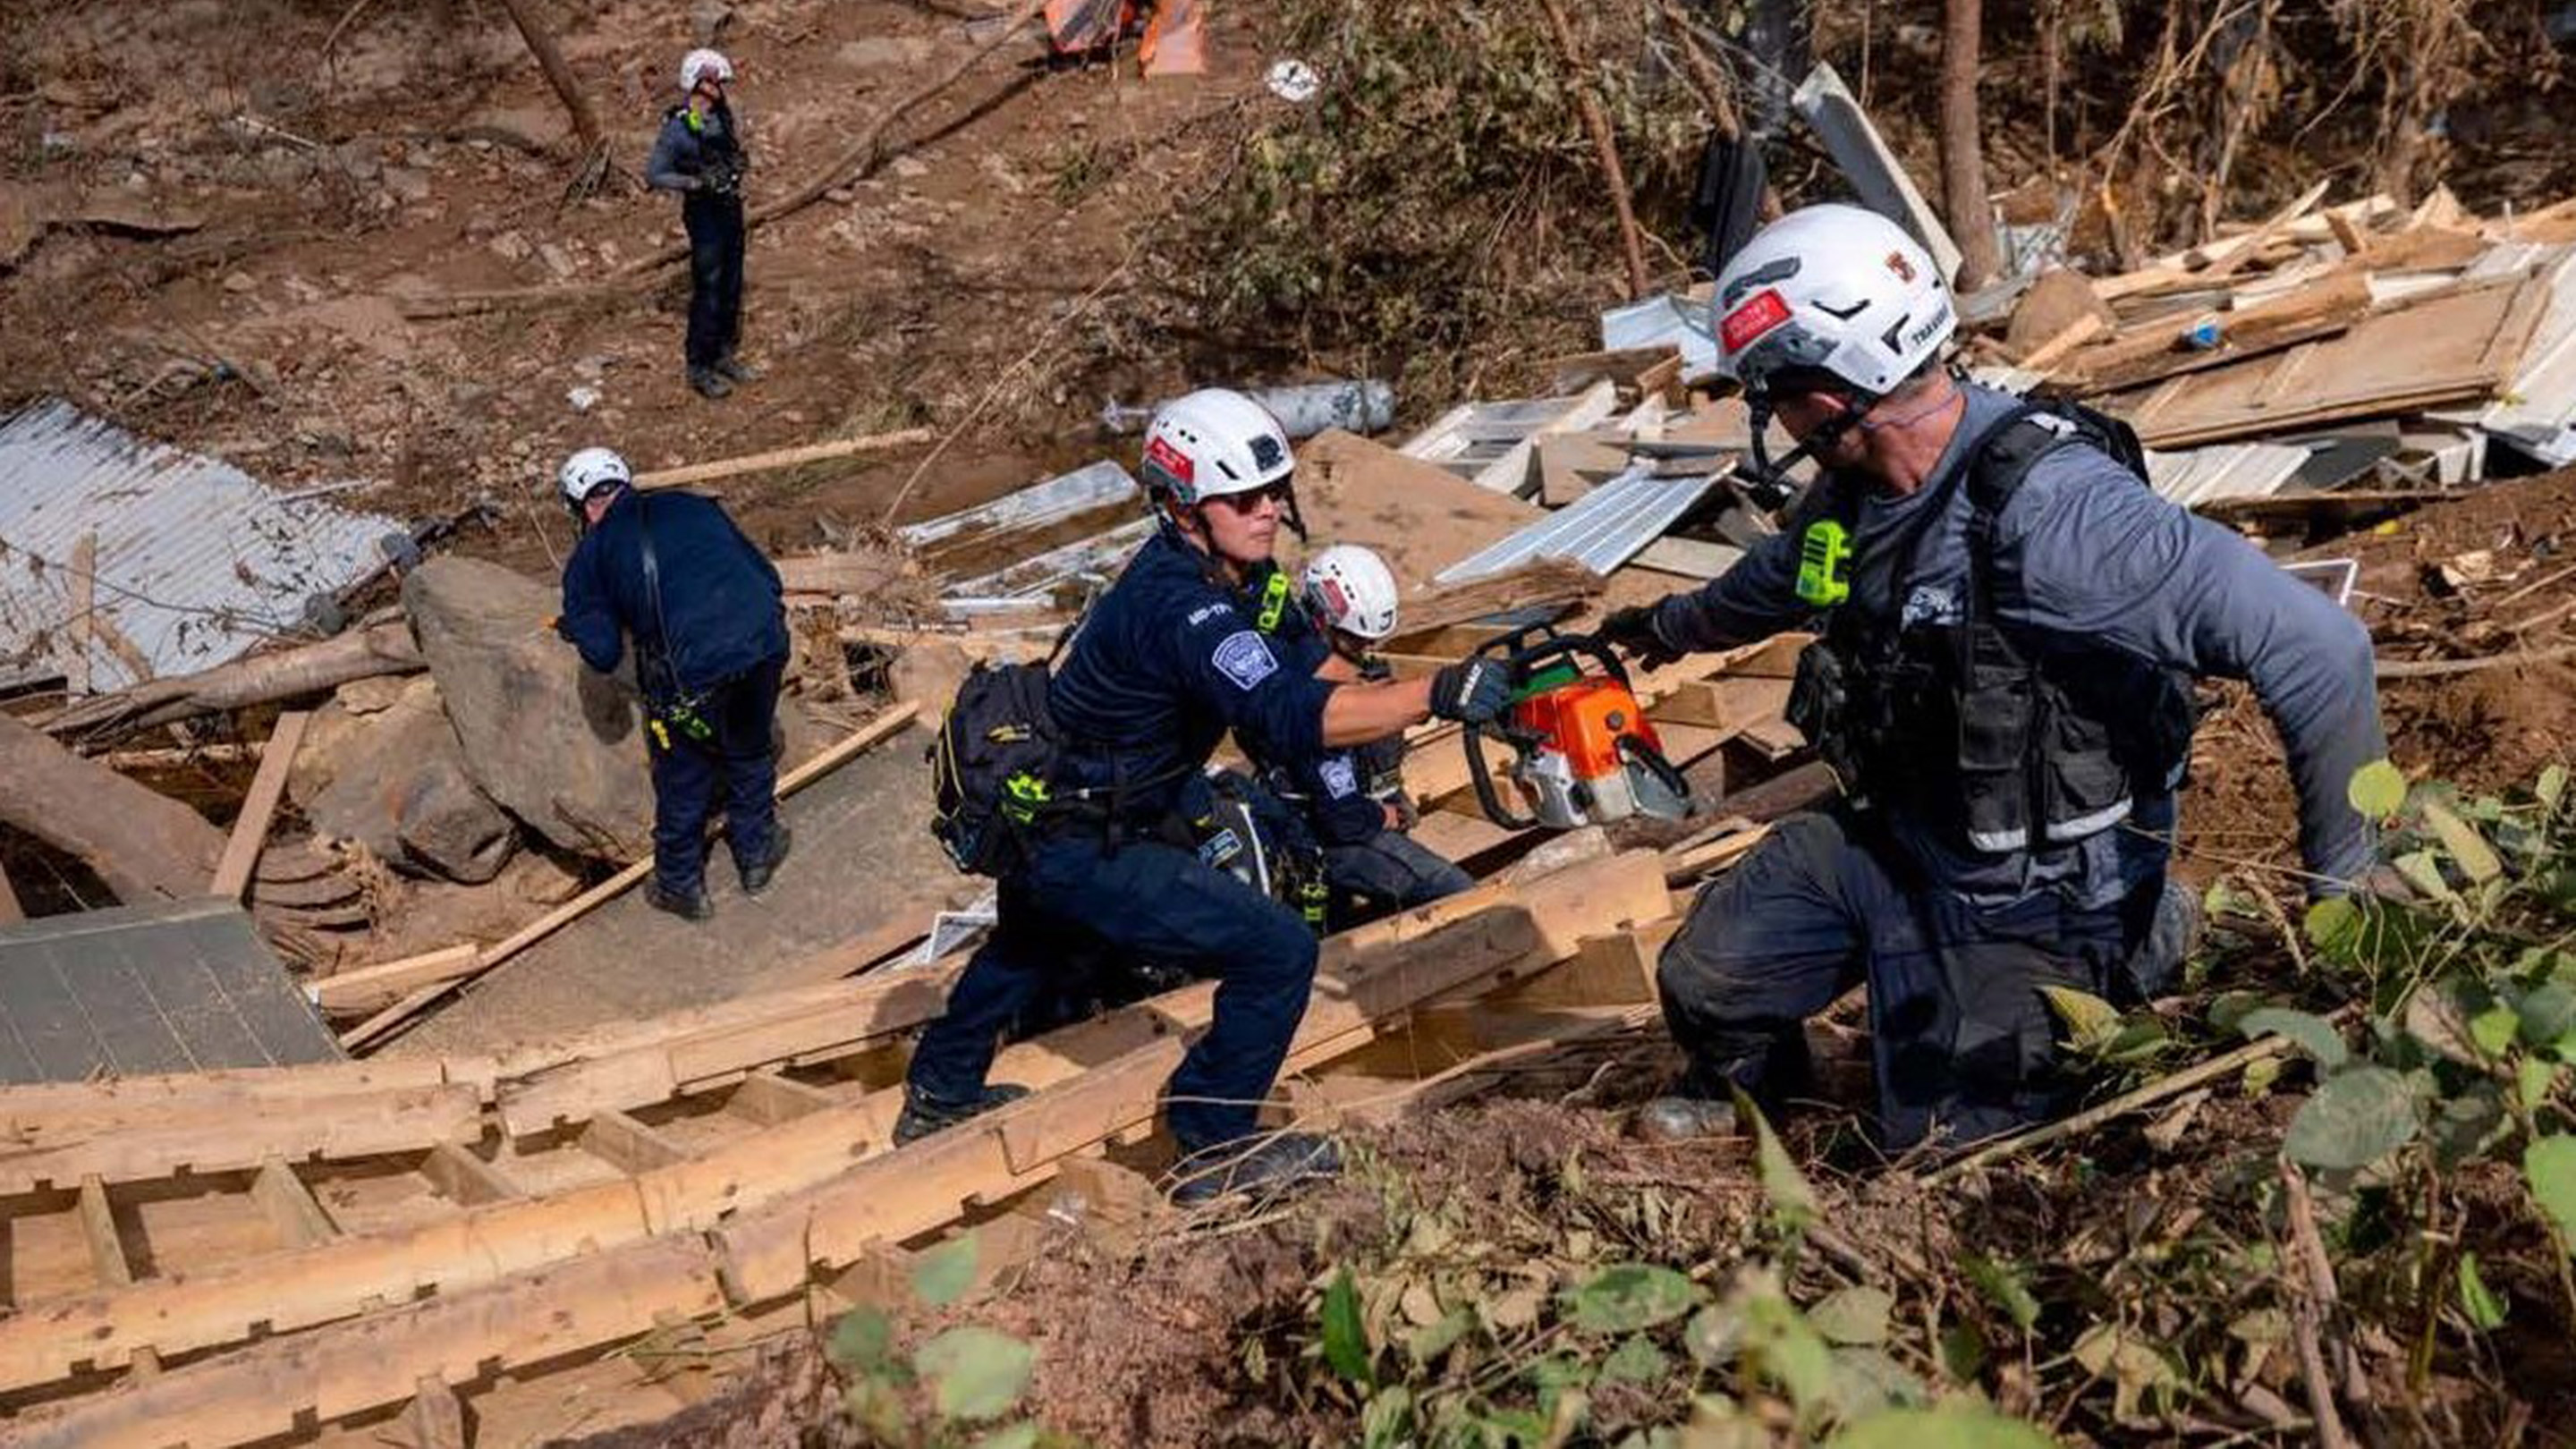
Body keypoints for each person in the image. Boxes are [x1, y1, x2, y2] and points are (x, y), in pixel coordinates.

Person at [1597, 204, 2389, 1151]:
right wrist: (1669, 627)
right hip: (1904, 839)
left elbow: (2321, 649)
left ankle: (2136, 939)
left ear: (1844, 374)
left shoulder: (2054, 518)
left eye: (1775, 390)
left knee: (1950, 1151)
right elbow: (1787, 575)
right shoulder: (1855, 493)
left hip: (2039, 891)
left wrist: (2348, 898)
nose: (1772, 417)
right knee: (1706, 979)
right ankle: (1762, 1097)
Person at [897, 389, 1515, 1202]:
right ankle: (1212, 1146)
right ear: (1183, 506)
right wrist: (1433, 692)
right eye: (1243, 499)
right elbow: (1287, 713)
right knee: (1276, 952)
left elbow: (1301, 669)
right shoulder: (1179, 606)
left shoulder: (1242, 577)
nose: (1267, 512)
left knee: (1034, 947)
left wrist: (1358, 750)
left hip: (1078, 814)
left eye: (1274, 493)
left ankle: (937, 1096)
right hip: (1084, 831)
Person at [555, 447, 792, 921]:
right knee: (749, 748)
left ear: (578, 506)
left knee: (684, 777)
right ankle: (756, 856)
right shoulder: (695, 505)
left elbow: (602, 654)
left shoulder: (591, 555)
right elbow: (768, 577)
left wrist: (580, 623)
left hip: (692, 676)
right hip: (763, 643)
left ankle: (680, 884)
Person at [1264, 543, 1473, 928]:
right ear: (1323, 622)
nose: (1368, 650)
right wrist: (1389, 814)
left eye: (1373, 641)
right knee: (1457, 893)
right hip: (1328, 839)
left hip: (1348, 813)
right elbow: (1344, 821)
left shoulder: (1338, 658)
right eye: (1356, 641)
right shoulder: (1311, 697)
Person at [644, 48, 753, 401]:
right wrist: (694, 182)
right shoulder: (677, 129)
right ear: (697, 83)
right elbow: (655, 173)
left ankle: (723, 354)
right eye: (713, 82)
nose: (719, 89)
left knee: (732, 282)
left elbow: (733, 151)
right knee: (708, 285)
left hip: (729, 207)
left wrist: (735, 166)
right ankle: (699, 366)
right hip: (703, 213)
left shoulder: (722, 118)